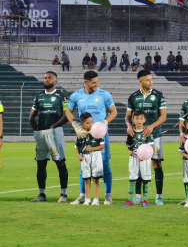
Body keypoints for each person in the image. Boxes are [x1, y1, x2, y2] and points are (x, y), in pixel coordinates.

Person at [66, 71, 118, 205]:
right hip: (84, 134)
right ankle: (83, 195)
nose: (96, 84)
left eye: (97, 82)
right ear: (86, 82)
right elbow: (68, 110)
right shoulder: (76, 95)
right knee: (84, 164)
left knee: (105, 163)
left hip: (100, 134)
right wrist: (74, 124)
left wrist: (105, 122)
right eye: (93, 82)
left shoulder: (104, 94)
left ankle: (108, 195)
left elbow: (114, 111)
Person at [126, 70, 167, 206]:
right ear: (141, 82)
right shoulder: (133, 97)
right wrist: (128, 126)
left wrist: (151, 127)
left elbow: (163, 116)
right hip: (138, 135)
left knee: (156, 163)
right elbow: (128, 116)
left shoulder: (159, 95)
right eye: (147, 80)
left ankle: (159, 196)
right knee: (138, 162)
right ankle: (138, 196)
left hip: (155, 135)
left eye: (151, 79)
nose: (150, 82)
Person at [29, 71, 70, 203]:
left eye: (49, 78)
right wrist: (36, 130)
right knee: (40, 164)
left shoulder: (61, 96)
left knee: (60, 162)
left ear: (55, 81)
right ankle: (42, 194)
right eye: (45, 78)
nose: (46, 80)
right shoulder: (39, 96)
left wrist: (54, 126)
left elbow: (67, 116)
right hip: (41, 134)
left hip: (55, 133)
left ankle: (64, 194)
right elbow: (32, 116)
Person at [123, 110, 154, 207]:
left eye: (141, 118)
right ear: (133, 120)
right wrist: (129, 151)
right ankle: (130, 200)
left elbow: (150, 147)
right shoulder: (131, 132)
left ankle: (145, 200)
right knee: (132, 178)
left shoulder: (147, 132)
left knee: (145, 179)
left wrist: (144, 155)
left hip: (145, 159)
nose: (139, 121)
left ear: (144, 120)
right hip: (134, 158)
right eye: (137, 119)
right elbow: (129, 145)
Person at [75, 112, 105, 206]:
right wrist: (79, 156)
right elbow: (77, 146)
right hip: (85, 157)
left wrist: (92, 148)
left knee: (96, 179)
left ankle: (96, 199)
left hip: (96, 156)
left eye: (92, 122)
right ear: (82, 124)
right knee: (87, 179)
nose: (91, 124)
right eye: (88, 123)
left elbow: (102, 146)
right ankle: (87, 199)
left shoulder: (97, 132)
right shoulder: (81, 134)